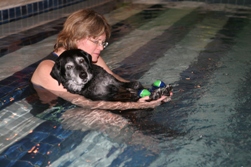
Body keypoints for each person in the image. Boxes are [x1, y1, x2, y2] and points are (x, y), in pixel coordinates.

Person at [31, 9, 170, 111]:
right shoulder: (49, 68)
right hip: (59, 111)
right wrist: (136, 105)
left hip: (87, 103)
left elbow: (115, 80)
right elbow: (83, 103)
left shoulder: (88, 58)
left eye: (103, 43)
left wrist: (148, 93)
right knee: (111, 120)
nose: (101, 48)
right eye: (96, 41)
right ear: (76, 37)